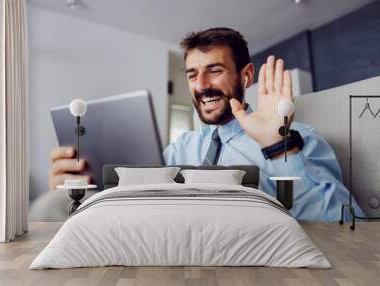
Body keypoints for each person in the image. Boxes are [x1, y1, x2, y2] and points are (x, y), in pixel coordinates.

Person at [30, 27, 363, 221]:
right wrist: (84, 188)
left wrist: (277, 148)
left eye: (214, 70)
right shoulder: (179, 149)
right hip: (169, 243)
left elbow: (350, 225)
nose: (201, 84)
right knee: (53, 204)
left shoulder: (297, 139)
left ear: (245, 76)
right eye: (192, 74)